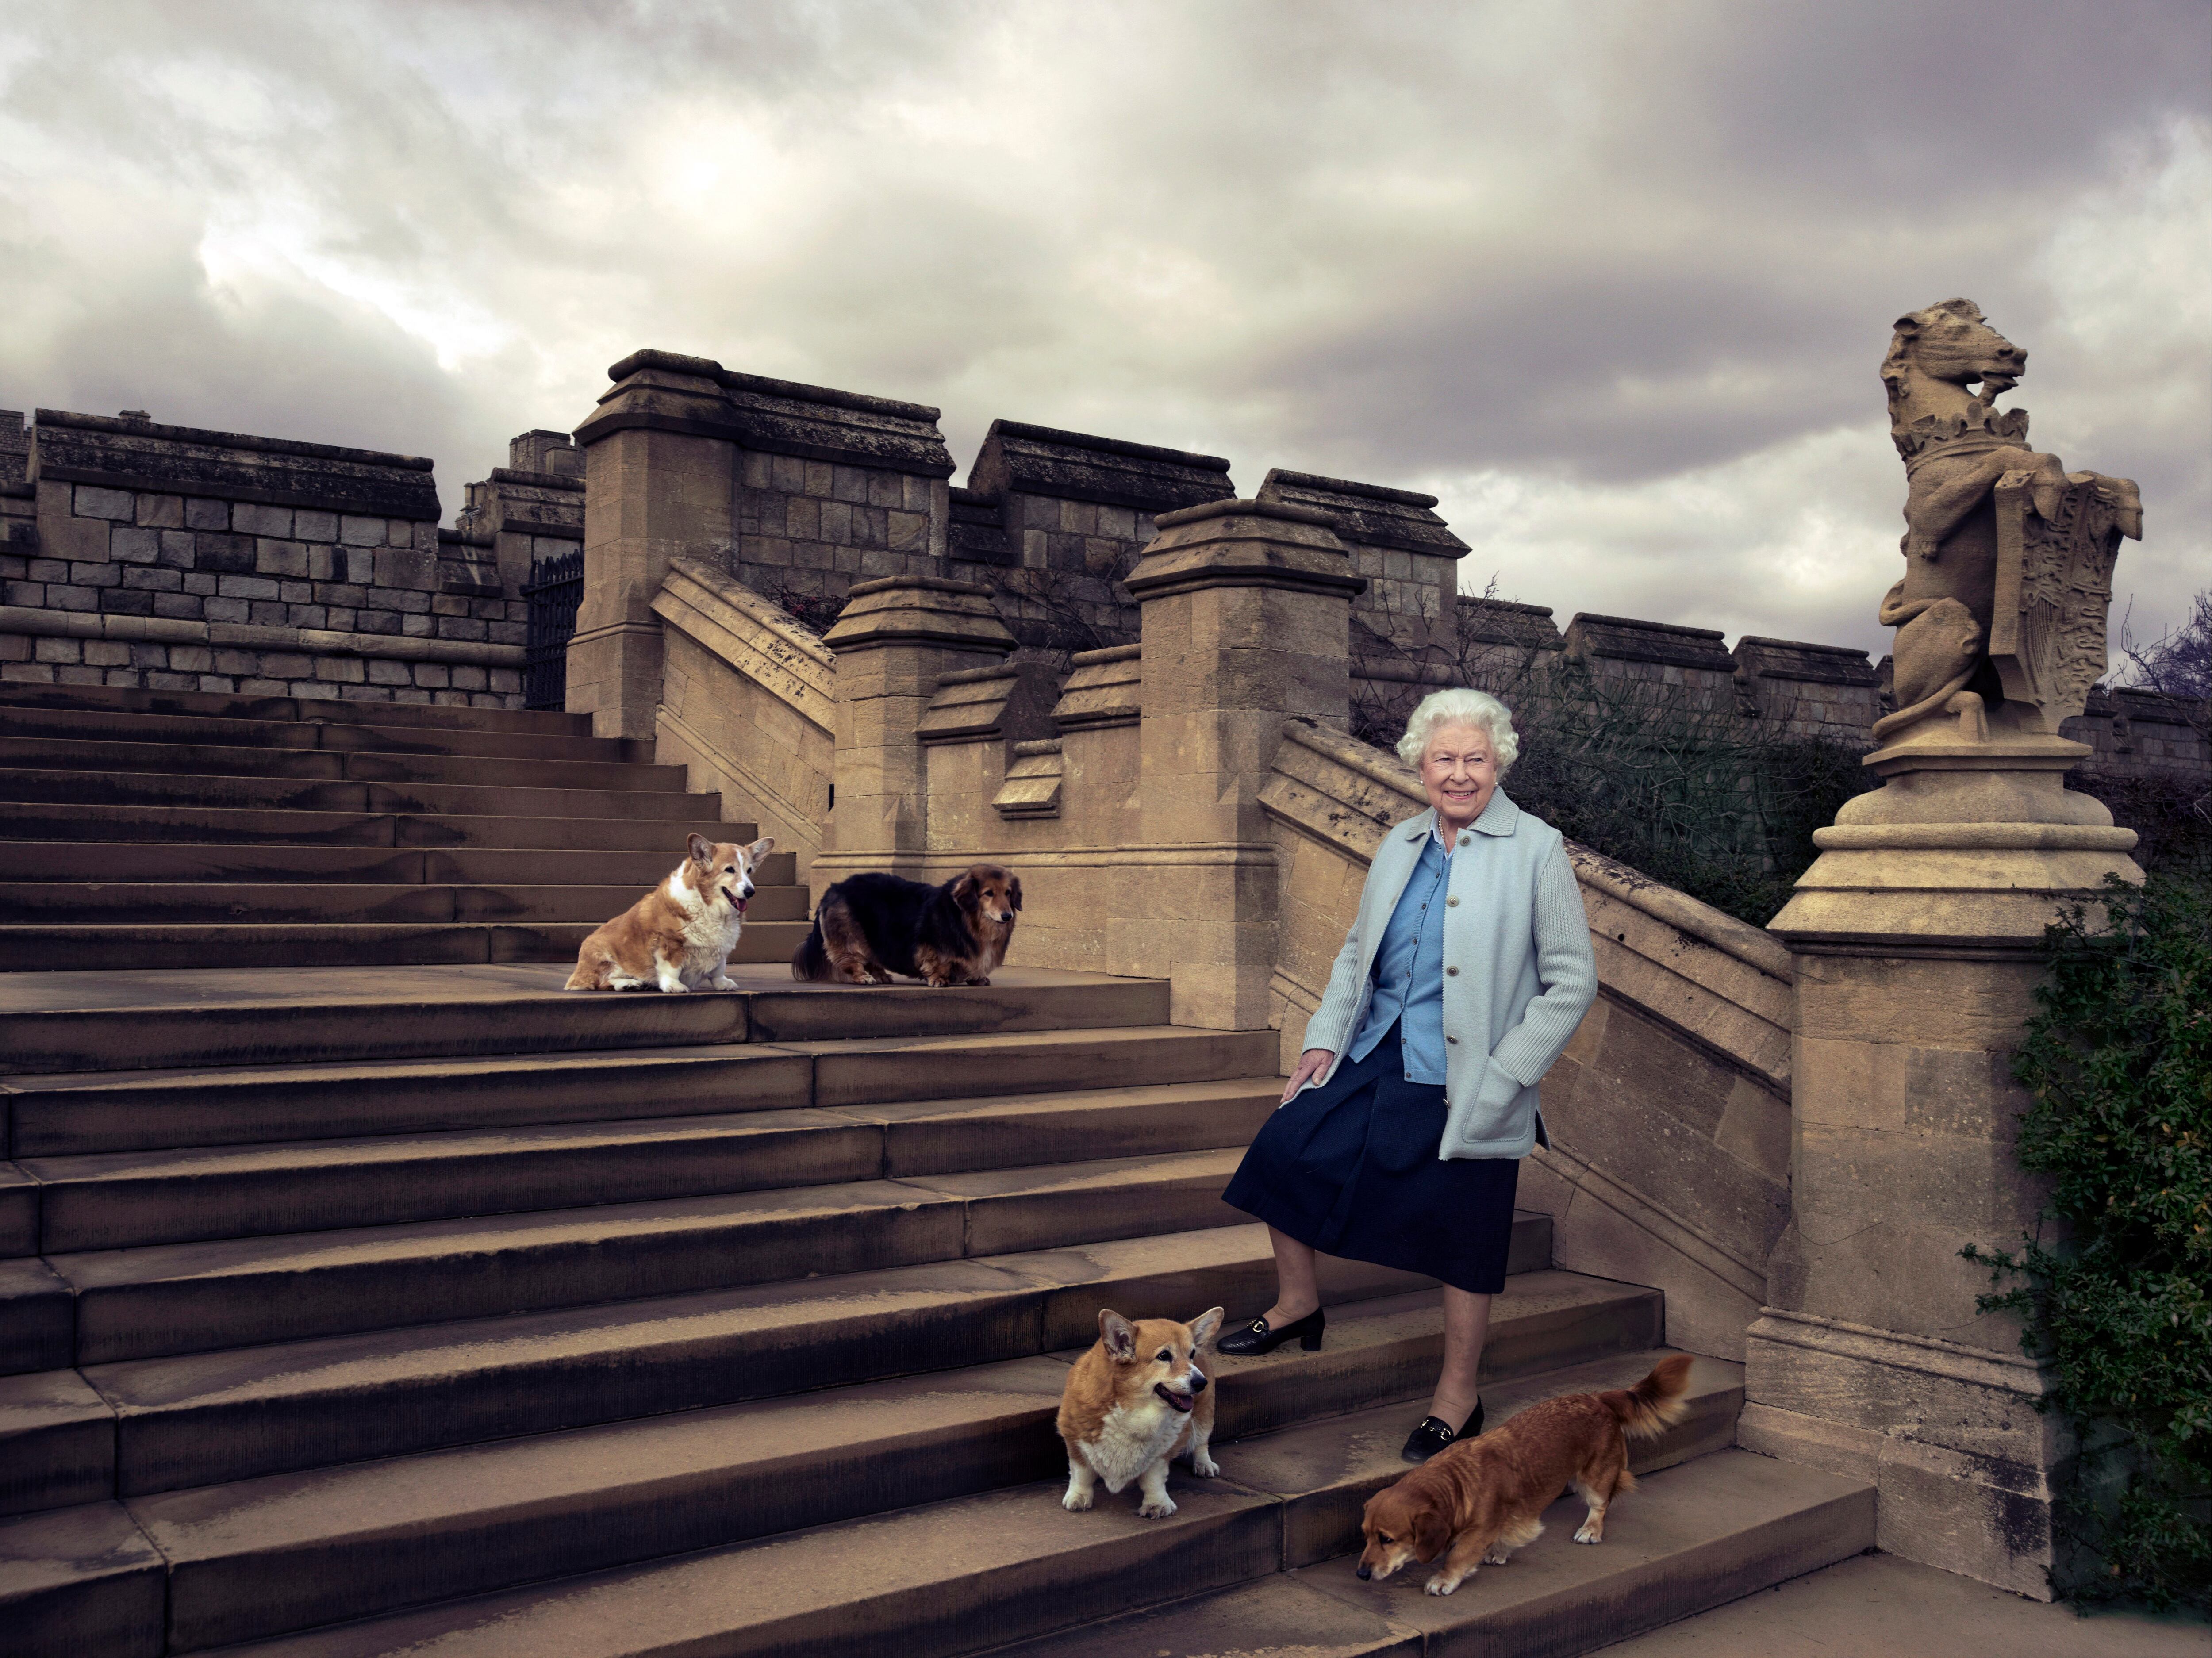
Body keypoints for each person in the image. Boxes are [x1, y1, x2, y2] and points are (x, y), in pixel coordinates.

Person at [1218, 687, 1597, 1462]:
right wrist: (1324, 1040)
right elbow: (1359, 952)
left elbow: (1572, 980)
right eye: (1444, 760)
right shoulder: (1399, 843)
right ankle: (1298, 1307)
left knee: (1466, 1234)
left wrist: (1510, 1076)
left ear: (1500, 764)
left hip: (1471, 1075)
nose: (1459, 775)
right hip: (1378, 1048)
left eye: (1475, 760)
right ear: (1420, 765)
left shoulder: (1537, 849)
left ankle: (1458, 1398)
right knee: (1284, 1150)